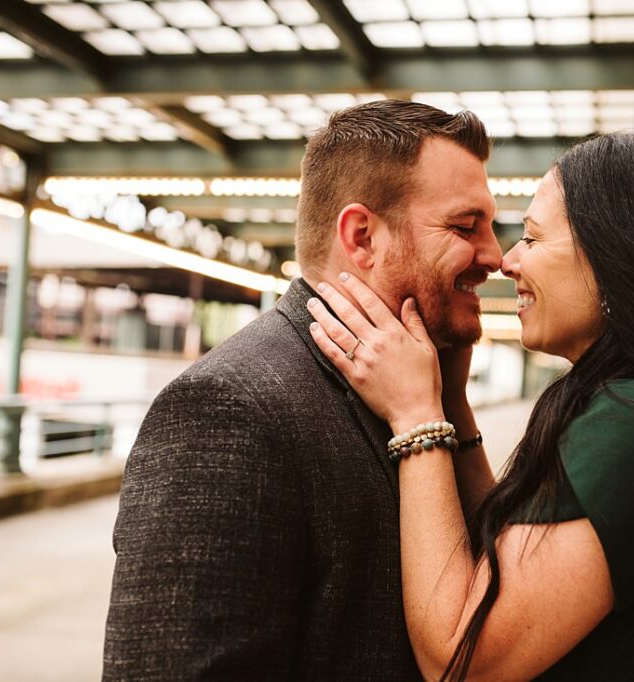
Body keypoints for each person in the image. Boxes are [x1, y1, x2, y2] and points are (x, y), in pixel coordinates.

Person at [307, 132, 634, 681]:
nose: (507, 260)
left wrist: (416, 417)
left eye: (532, 238)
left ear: (616, 259)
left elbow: (460, 659)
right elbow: (508, 563)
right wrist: (452, 403)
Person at [102, 100, 502, 679]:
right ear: (362, 236)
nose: (494, 255)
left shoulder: (424, 388)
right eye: (466, 227)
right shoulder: (227, 410)